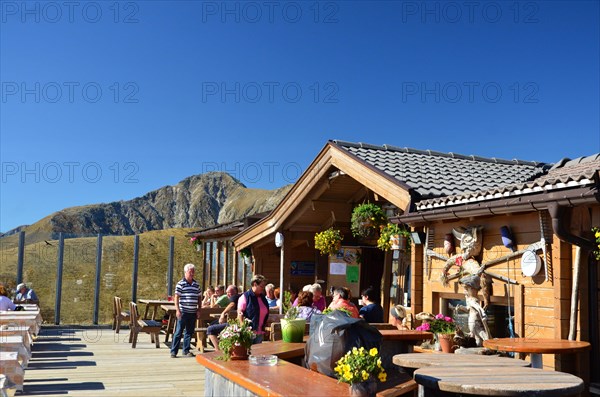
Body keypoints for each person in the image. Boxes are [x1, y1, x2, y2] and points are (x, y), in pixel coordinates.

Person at [170, 263, 201, 358]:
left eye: (193, 272)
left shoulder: (196, 285)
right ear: (185, 272)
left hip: (193, 312)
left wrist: (199, 309)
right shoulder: (180, 284)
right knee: (179, 332)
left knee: (189, 332)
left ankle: (186, 350)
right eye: (190, 272)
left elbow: (199, 297)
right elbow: (176, 297)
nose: (192, 274)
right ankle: (173, 351)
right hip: (183, 311)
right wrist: (177, 310)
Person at [206, 285, 241, 351]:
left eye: (229, 292)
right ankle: (222, 347)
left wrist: (223, 314)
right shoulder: (239, 297)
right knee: (213, 325)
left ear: (235, 292)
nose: (227, 294)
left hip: (235, 324)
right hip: (234, 322)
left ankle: (219, 351)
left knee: (210, 329)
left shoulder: (235, 297)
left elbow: (232, 305)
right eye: (227, 292)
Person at [237, 274, 269, 345]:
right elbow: (240, 314)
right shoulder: (245, 297)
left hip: (260, 332)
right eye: (261, 286)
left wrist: (265, 325)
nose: (263, 288)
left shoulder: (263, 298)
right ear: (255, 284)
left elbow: (264, 313)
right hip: (249, 332)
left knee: (257, 354)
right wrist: (244, 329)